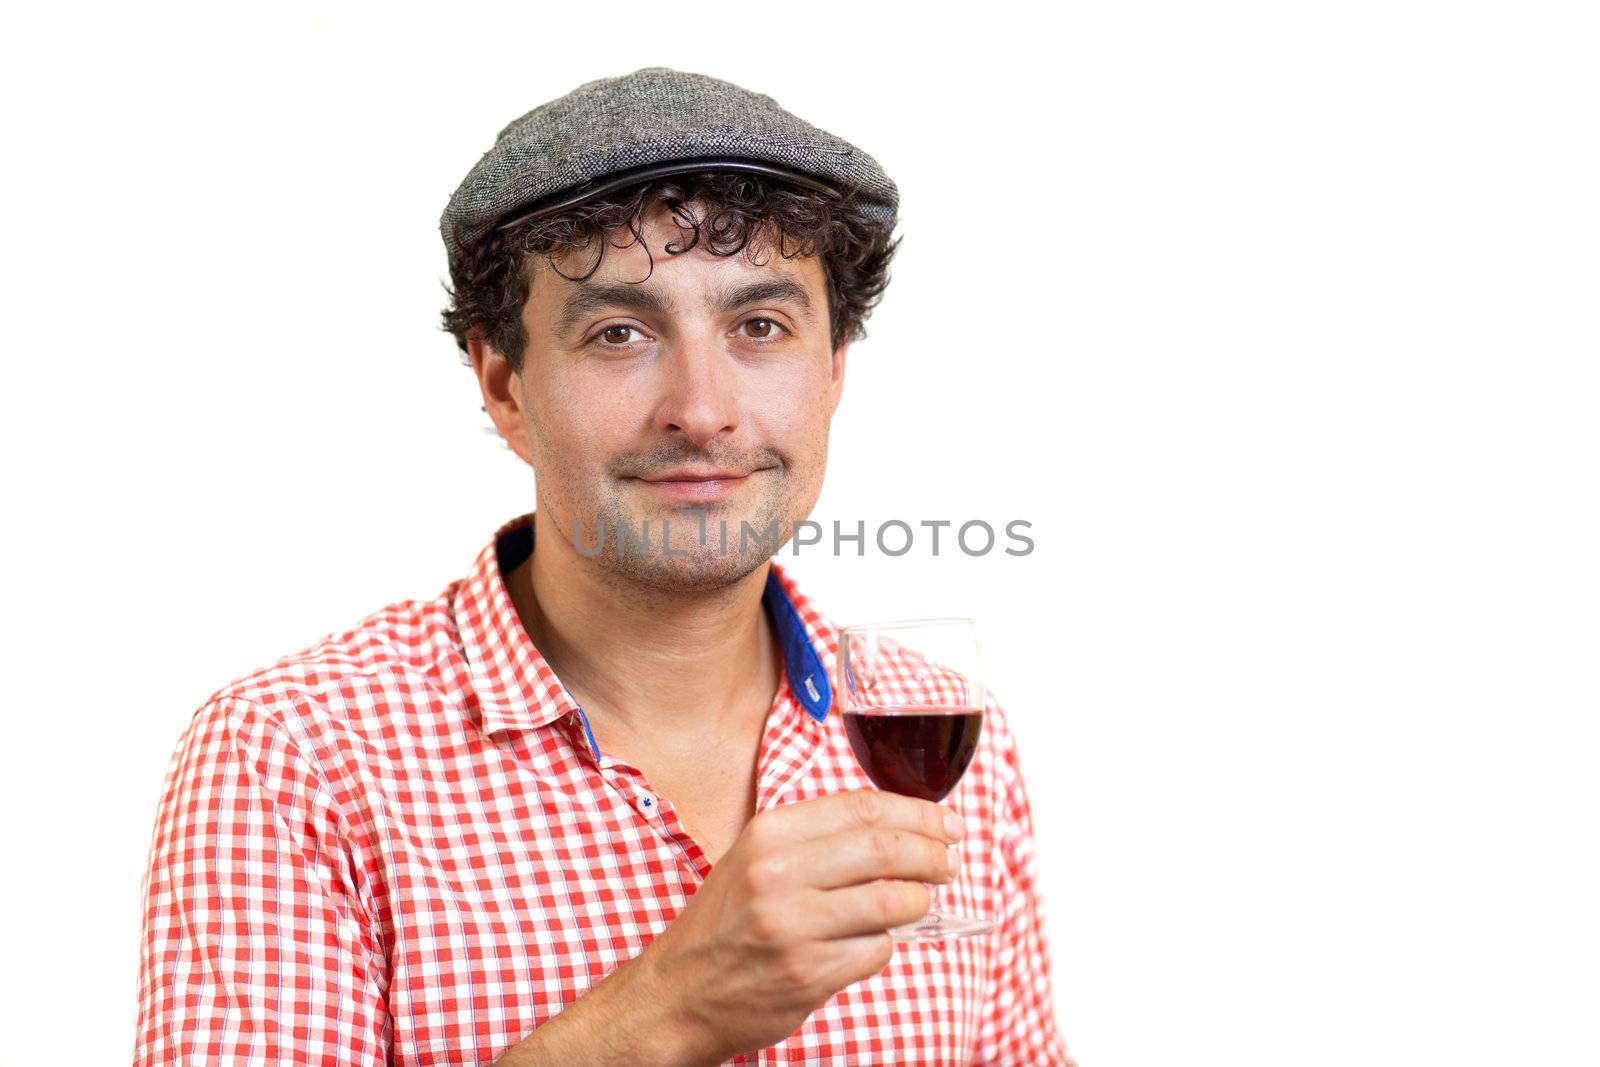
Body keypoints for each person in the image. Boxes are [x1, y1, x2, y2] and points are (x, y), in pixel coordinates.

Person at [133, 66, 1077, 1066]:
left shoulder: (937, 732)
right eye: (620, 332)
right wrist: (664, 1010)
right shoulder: (297, 756)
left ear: (832, 370)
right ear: (504, 386)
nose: (701, 407)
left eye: (759, 326)